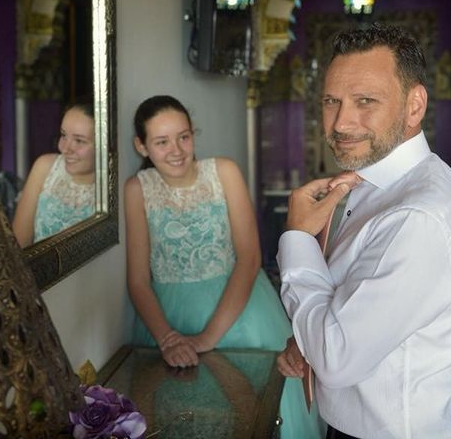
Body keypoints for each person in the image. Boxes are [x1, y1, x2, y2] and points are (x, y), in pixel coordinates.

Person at [276, 23, 451, 439]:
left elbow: (336, 359)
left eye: (365, 101)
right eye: (331, 101)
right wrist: (307, 337)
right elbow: (350, 304)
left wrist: (297, 239)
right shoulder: (369, 182)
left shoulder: (419, 217)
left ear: (414, 105)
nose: (341, 122)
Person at [124, 95, 325, 438]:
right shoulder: (137, 190)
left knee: (253, 411)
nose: (176, 150)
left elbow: (249, 259)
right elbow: (139, 280)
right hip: (168, 319)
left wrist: (207, 339)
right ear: (141, 146)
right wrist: (169, 339)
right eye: (161, 141)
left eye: (183, 137)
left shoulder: (224, 172)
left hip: (241, 310)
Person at [12, 104, 95, 248]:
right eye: (63, 135)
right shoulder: (44, 167)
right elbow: (17, 246)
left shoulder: (114, 186)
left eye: (79, 141)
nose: (64, 148)